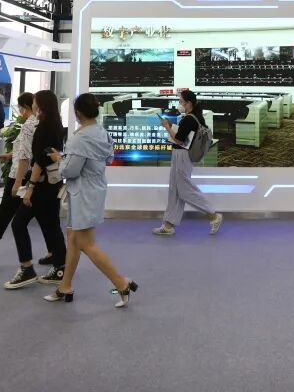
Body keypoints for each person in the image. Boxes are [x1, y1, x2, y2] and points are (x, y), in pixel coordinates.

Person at [45, 93, 137, 305]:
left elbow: (70, 171)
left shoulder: (79, 138)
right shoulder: (101, 132)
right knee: (73, 239)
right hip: (92, 190)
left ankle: (121, 283)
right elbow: (108, 158)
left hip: (83, 193)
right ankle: (65, 286)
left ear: (77, 112)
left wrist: (59, 159)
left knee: (85, 244)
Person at [0, 93, 56, 266]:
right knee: (44, 217)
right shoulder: (42, 123)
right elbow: (31, 151)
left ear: (27, 107)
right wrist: (10, 155)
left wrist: (17, 183)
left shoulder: (29, 125)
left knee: (5, 217)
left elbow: (25, 157)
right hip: (32, 176)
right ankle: (54, 252)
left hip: (19, 176)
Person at [5, 90, 68, 289]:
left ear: (40, 105)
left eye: (34, 101)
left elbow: (39, 161)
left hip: (41, 184)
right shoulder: (57, 126)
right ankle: (60, 267)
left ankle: (27, 268)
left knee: (19, 223)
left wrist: (30, 188)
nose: (32, 104)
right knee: (52, 225)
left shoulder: (41, 128)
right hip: (54, 183)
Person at [154, 90, 224, 236]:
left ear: (188, 103)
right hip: (181, 155)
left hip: (182, 155)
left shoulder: (189, 119)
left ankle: (213, 215)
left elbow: (179, 139)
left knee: (185, 190)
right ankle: (168, 225)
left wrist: (167, 127)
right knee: (175, 191)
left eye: (181, 101)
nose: (179, 104)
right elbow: (184, 135)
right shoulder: (192, 118)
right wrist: (171, 126)